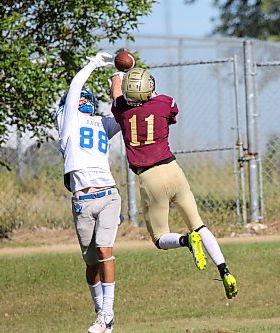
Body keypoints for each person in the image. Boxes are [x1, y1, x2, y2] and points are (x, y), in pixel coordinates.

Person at [109, 67, 238, 299]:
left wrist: (117, 74)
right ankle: (224, 269)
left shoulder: (122, 111)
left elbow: (116, 94)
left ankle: (186, 241)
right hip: (173, 169)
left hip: (149, 177)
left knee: (160, 238)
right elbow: (165, 107)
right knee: (199, 224)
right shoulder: (164, 102)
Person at [54, 52, 121, 333]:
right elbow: (74, 87)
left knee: (105, 250)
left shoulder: (102, 123)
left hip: (107, 194)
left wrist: (118, 81)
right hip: (82, 200)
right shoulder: (68, 123)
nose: (81, 101)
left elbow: (123, 112)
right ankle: (101, 315)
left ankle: (107, 312)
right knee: (91, 263)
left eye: (85, 99)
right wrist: (93, 63)